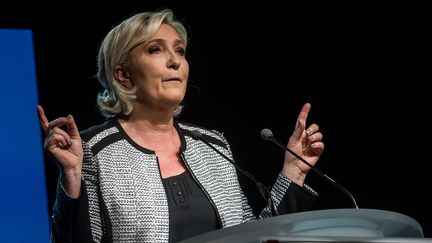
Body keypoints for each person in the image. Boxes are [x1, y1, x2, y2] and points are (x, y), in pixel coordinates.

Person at [37, 8, 324, 243]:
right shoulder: (93, 150)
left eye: (180, 51)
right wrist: (73, 176)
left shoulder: (213, 145)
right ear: (123, 75)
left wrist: (293, 172)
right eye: (155, 50)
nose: (175, 61)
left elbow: (255, 236)